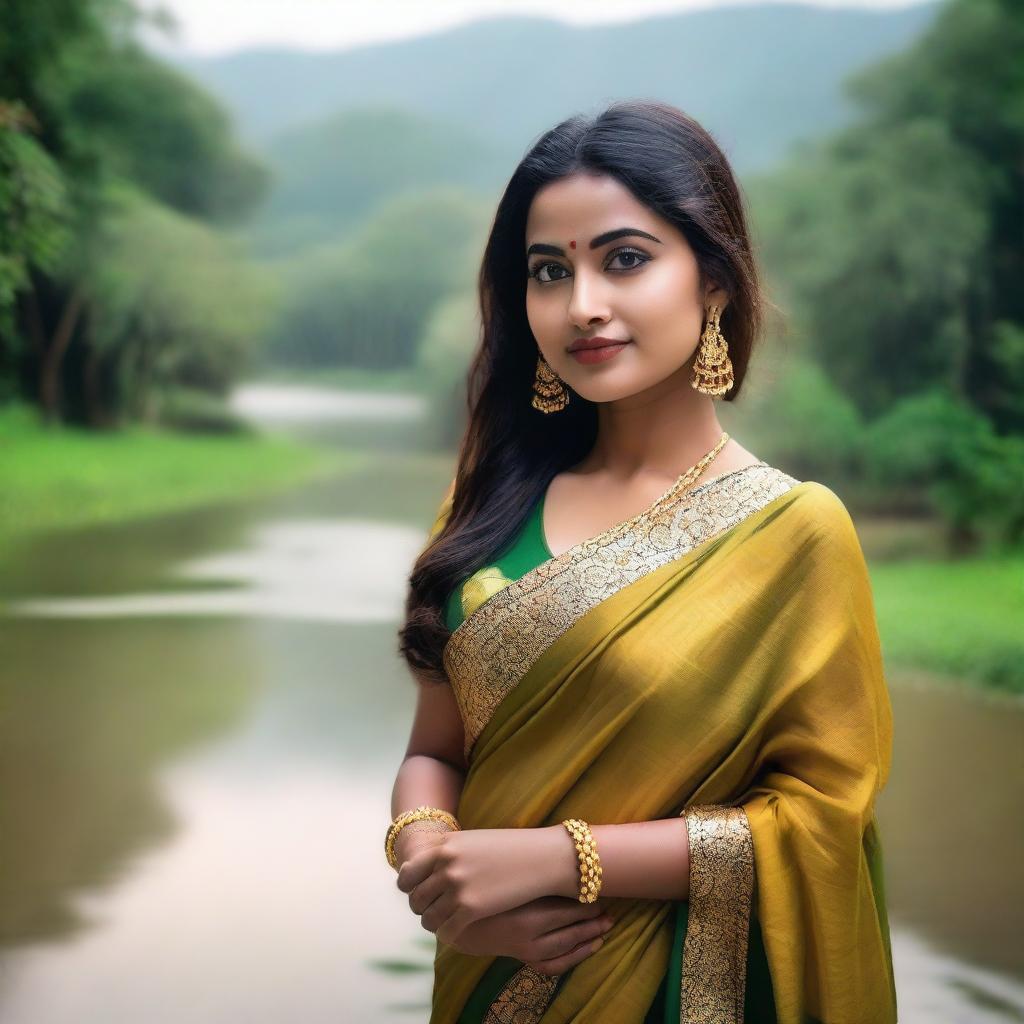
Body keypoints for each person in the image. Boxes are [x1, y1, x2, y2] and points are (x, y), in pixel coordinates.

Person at [389, 100, 897, 1024]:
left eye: (625, 259)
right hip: (487, 988)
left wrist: (554, 859)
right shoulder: (483, 510)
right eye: (550, 271)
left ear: (713, 279)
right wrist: (441, 876)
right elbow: (435, 752)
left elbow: (821, 823)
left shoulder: (794, 532)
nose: (582, 304)